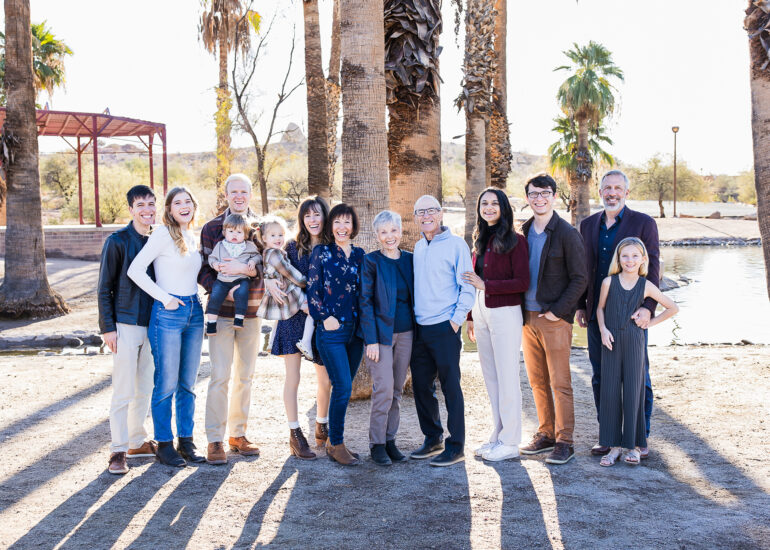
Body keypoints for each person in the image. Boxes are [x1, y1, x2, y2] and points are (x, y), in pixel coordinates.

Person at [576, 170, 660, 459]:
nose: (612, 192)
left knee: (638, 377)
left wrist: (648, 309)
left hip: (632, 314)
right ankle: (608, 436)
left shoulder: (643, 223)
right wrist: (579, 305)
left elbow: (654, 267)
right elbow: (582, 269)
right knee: (601, 376)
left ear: (626, 191)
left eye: (617, 188)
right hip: (597, 314)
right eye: (607, 188)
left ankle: (640, 437)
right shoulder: (587, 224)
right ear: (600, 192)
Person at [199, 173, 276, 465]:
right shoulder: (211, 228)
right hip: (220, 312)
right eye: (234, 192)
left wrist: (251, 272)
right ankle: (214, 440)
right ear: (227, 194)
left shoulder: (260, 228)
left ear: (251, 194)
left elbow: (269, 264)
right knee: (220, 375)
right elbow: (203, 271)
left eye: (244, 191)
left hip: (252, 312)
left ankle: (238, 434)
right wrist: (224, 290)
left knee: (245, 376)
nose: (239, 196)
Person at [128, 186, 204, 467]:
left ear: (194, 206)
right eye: (177, 203)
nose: (184, 206)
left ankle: (187, 441)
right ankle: (164, 444)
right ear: (170, 210)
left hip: (194, 312)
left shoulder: (192, 236)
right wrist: (165, 298)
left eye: (188, 201)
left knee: (188, 384)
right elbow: (135, 270)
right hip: (168, 315)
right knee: (166, 383)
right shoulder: (162, 234)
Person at [519, 174, 587, 465]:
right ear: (527, 198)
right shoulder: (523, 231)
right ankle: (545, 433)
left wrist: (558, 311)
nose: (539, 198)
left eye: (544, 193)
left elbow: (580, 278)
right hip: (526, 317)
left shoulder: (567, 233)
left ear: (554, 196)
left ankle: (564, 441)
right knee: (537, 381)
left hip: (554, 318)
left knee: (560, 382)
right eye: (533, 194)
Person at [596, 238, 678, 466]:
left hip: (634, 342)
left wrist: (650, 323)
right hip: (610, 342)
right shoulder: (608, 282)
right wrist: (603, 330)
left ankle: (631, 446)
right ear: (618, 258)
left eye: (634, 256)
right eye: (625, 256)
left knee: (634, 392)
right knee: (610, 392)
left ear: (643, 259)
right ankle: (613, 448)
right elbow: (600, 308)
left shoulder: (646, 285)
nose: (629, 261)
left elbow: (673, 308)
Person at [463, 188, 529, 462]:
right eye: (484, 203)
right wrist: (469, 318)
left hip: (505, 313)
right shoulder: (480, 238)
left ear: (503, 207)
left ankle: (511, 441)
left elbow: (522, 282)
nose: (488, 208)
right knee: (491, 377)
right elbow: (473, 280)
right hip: (481, 312)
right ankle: (498, 434)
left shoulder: (517, 241)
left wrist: (486, 285)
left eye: (494, 203)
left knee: (507, 376)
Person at [410, 195, 475, 467]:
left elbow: (468, 286)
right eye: (420, 212)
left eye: (431, 211)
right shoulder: (418, 247)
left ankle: (456, 445)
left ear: (441, 213)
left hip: (445, 326)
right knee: (421, 386)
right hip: (420, 328)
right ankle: (433, 437)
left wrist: (456, 320)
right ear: (415, 218)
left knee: (450, 386)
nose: (426, 216)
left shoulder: (457, 245)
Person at [98, 185, 158, 475]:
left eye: (151, 204)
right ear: (131, 209)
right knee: (123, 390)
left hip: (154, 324)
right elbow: (104, 288)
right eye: (140, 205)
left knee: (145, 386)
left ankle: (137, 440)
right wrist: (108, 328)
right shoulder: (118, 241)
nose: (147, 210)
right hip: (124, 324)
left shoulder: (159, 239)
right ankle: (118, 450)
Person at [270, 197, 332, 460]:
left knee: (325, 379)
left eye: (317, 215)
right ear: (301, 220)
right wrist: (270, 283)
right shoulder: (292, 247)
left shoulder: (332, 248)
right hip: (294, 316)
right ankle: (295, 434)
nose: (313, 220)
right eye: (307, 216)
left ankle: (322, 423)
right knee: (292, 378)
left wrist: (318, 307)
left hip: (321, 319)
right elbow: (277, 272)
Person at [307, 203, 365, 466]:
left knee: (345, 387)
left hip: (356, 332)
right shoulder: (322, 252)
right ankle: (336, 443)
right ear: (331, 226)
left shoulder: (360, 255)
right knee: (341, 385)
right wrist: (325, 318)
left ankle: (335, 441)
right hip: (330, 331)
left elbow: (366, 292)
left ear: (353, 227)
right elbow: (312, 291)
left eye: (347, 222)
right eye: (337, 222)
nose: (342, 227)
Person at [360, 210, 414, 466]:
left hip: (407, 334)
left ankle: (390, 440)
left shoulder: (411, 260)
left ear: (400, 231)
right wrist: (370, 339)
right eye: (383, 232)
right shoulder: (371, 262)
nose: (389, 236)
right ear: (377, 235)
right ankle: (377, 444)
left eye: (393, 230)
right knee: (383, 389)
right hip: (379, 337)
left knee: (396, 390)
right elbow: (365, 302)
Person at [205, 214, 259, 334]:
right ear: (224, 232)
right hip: (223, 279)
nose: (234, 235)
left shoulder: (249, 246)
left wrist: (252, 261)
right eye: (231, 231)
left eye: (239, 232)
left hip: (241, 279)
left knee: (242, 293)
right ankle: (211, 323)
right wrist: (215, 265)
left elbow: (257, 256)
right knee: (215, 296)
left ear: (245, 234)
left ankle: (239, 319)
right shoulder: (220, 246)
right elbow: (211, 258)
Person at [256, 216, 311, 330]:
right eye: (273, 235)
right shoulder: (274, 254)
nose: (278, 238)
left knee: (281, 318)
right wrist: (305, 282)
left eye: (281, 235)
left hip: (282, 290)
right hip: (288, 291)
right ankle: (306, 342)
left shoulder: (269, 252)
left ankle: (271, 344)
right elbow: (289, 272)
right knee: (311, 309)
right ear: (264, 238)